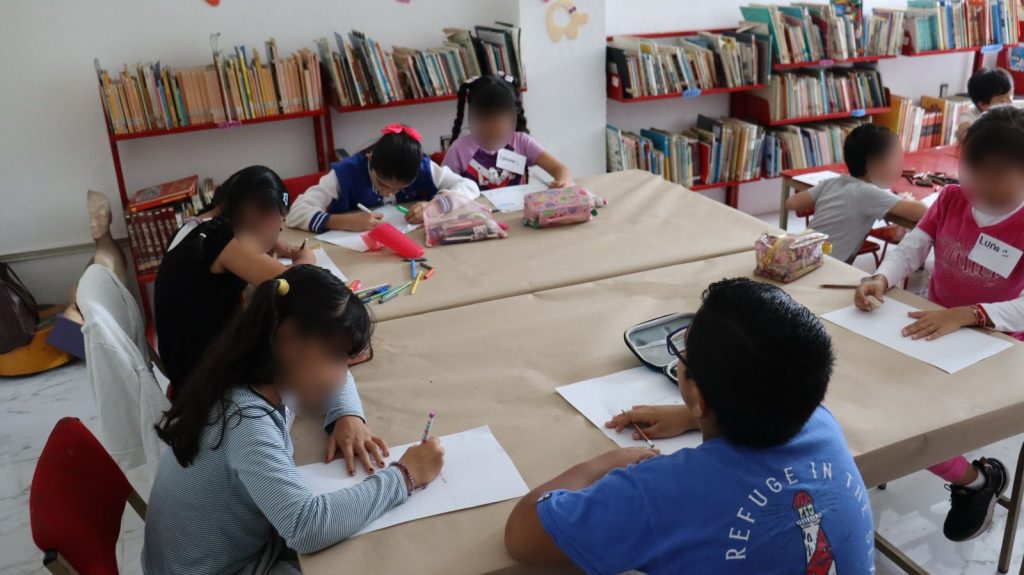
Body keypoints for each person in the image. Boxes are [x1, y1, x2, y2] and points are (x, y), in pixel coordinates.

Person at [505, 278, 875, 574]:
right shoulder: (820, 422)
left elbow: (523, 537)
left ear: (696, 392)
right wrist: (690, 415)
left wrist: (604, 463)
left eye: (683, 350)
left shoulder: (660, 493)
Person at [144, 266, 446, 574]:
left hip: (225, 552)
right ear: (288, 338)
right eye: (335, 356)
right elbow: (306, 527)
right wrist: (404, 475)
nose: (343, 377)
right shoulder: (246, 421)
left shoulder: (254, 370)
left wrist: (347, 414)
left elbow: (335, 379)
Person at [854, 106, 1024, 541]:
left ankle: (977, 482)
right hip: (934, 329)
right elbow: (913, 247)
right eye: (973, 170)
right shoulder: (951, 199)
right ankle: (974, 479)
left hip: (998, 346)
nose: (980, 184)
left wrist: (969, 314)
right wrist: (880, 278)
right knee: (871, 393)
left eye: (998, 175)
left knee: (908, 418)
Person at [155, 166, 313, 394]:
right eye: (279, 225)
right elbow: (297, 285)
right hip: (210, 386)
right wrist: (306, 259)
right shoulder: (223, 239)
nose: (278, 232)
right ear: (258, 211)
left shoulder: (195, 226)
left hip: (187, 370)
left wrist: (271, 241)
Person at [286, 124, 479, 233]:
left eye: (400, 188)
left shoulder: (424, 168)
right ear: (370, 159)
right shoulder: (346, 173)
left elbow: (469, 187)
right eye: (381, 184)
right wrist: (344, 222)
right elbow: (295, 213)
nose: (389, 193)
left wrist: (435, 205)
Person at [785, 124, 926, 264]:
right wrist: (904, 199)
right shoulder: (868, 193)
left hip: (801, 253)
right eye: (895, 160)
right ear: (874, 164)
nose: (901, 167)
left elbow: (792, 203)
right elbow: (922, 211)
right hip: (824, 264)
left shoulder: (833, 182)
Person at [443, 75, 572, 190]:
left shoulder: (521, 142)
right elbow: (442, 186)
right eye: (486, 118)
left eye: (499, 119)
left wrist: (562, 183)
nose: (493, 127)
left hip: (518, 208)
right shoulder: (459, 149)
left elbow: (561, 169)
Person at [956, 67, 1014, 142]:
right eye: (1002, 101)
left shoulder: (1012, 112)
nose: (1010, 103)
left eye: (1011, 96)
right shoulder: (971, 115)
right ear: (983, 105)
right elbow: (963, 136)